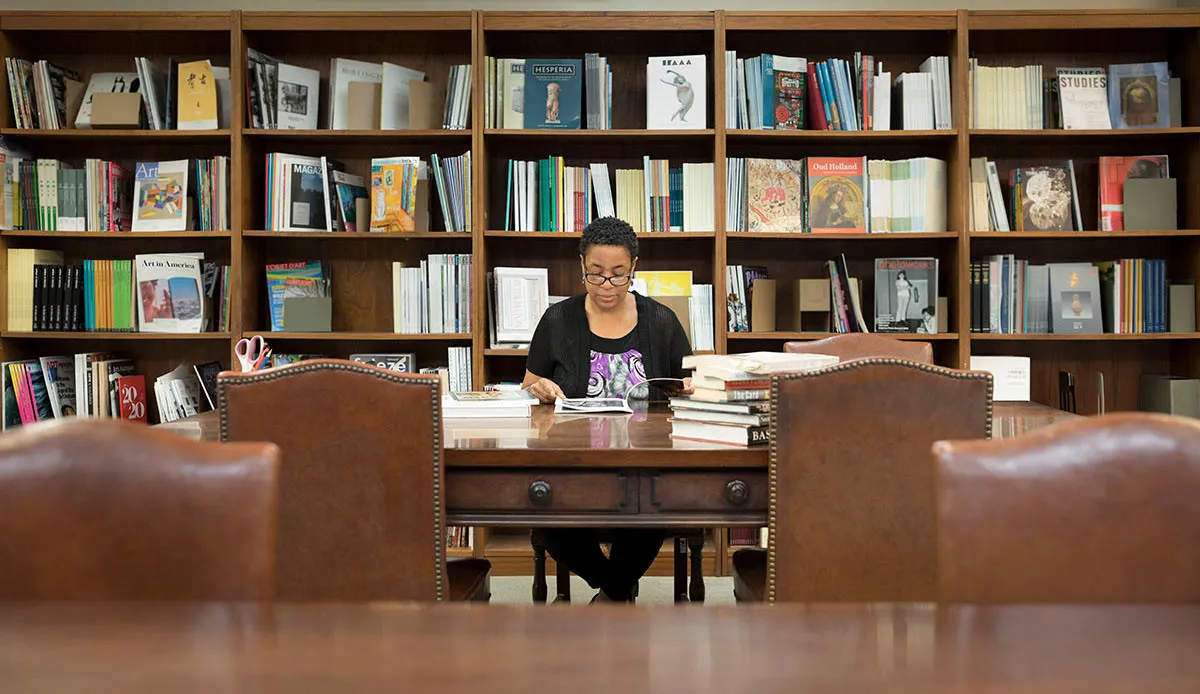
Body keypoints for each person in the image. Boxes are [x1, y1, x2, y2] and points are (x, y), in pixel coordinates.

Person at [523, 216, 693, 602]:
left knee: (653, 508)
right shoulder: (558, 319)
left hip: (644, 466)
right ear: (581, 264)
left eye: (618, 275)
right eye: (595, 274)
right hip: (573, 464)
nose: (606, 285)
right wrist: (541, 388)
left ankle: (610, 596)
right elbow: (528, 385)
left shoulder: (661, 321)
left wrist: (691, 388)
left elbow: (689, 384)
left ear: (634, 267)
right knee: (545, 515)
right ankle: (616, 589)